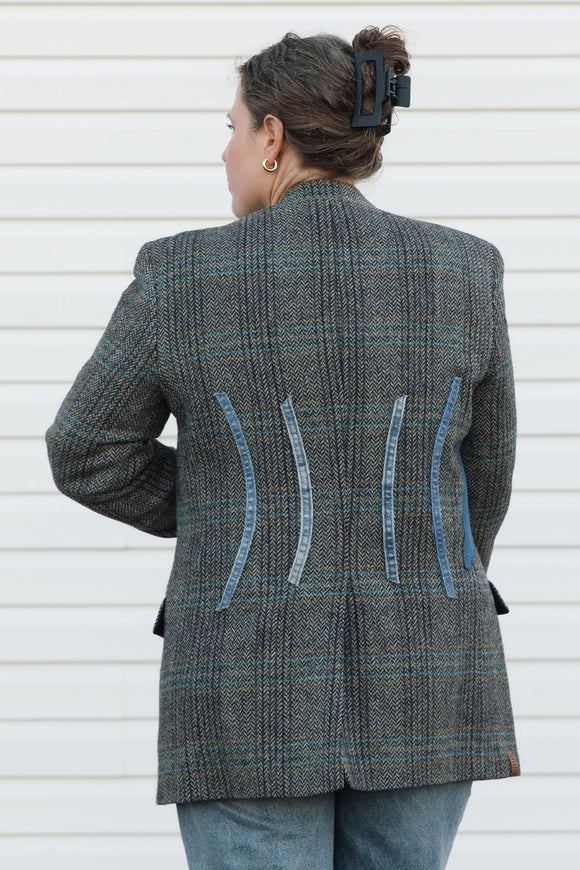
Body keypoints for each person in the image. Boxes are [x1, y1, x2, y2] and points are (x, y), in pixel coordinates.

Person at [45, 24, 521, 870]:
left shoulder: (181, 275)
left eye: (230, 127)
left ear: (272, 136)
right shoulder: (465, 269)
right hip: (431, 669)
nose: (224, 150)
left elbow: (87, 449)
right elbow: (485, 476)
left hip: (243, 674)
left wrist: (232, 512)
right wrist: (425, 572)